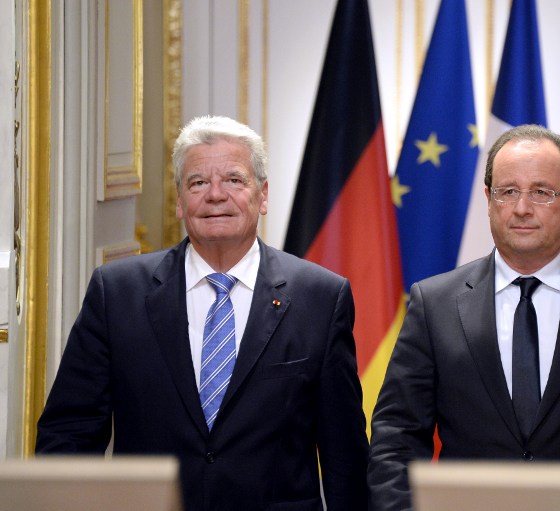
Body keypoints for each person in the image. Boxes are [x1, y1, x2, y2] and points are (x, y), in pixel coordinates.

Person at [36, 115, 369, 511]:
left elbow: (344, 457)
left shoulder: (321, 297)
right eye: (198, 183)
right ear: (179, 201)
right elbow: (68, 435)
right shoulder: (117, 293)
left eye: (233, 180)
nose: (215, 195)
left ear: (262, 195)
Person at [368, 124, 560, 510]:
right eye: (508, 191)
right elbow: (395, 440)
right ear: (488, 199)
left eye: (542, 193)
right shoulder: (435, 303)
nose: (522, 208)